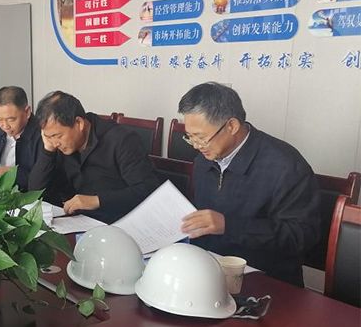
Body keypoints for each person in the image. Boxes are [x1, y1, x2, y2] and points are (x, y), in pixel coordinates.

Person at [178, 82, 320, 287]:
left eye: (201, 138)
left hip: (267, 281)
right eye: (190, 137)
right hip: (210, 272)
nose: (196, 146)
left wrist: (229, 226)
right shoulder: (204, 160)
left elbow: (302, 235)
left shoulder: (286, 166)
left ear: (232, 126)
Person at [28, 90, 160, 223]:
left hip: (118, 223)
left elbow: (147, 190)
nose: (55, 143)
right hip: (78, 222)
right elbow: (34, 192)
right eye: (48, 137)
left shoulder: (121, 140)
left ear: (79, 123)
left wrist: (98, 200)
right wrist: (48, 151)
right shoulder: (57, 145)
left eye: (58, 136)